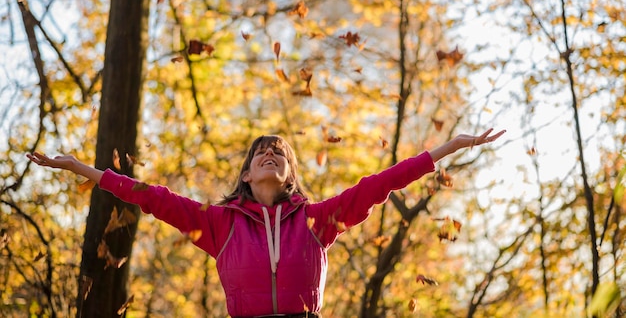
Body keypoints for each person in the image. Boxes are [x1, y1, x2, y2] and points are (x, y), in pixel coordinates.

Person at [27, 128, 505, 318]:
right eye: (261, 152)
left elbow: (382, 184)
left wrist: (447, 150)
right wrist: (82, 170)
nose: (270, 153)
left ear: (290, 174)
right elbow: (150, 198)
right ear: (246, 174)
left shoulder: (319, 221)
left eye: (279, 152)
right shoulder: (218, 225)